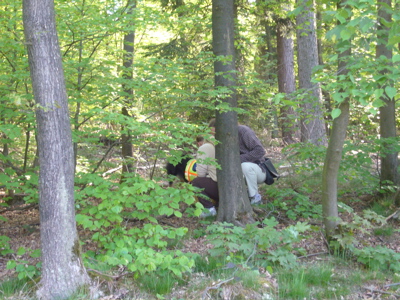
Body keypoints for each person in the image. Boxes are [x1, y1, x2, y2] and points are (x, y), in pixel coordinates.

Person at [208, 118, 266, 205]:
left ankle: (255, 197)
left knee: (245, 166)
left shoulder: (242, 131)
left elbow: (260, 151)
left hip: (258, 169)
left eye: (216, 133)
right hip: (238, 173)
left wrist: (237, 159)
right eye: (212, 135)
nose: (215, 136)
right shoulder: (221, 141)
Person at [191, 136, 219, 217]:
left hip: (219, 188)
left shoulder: (206, 147)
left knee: (196, 182)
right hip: (236, 188)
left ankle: (209, 208)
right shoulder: (230, 144)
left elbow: (201, 172)